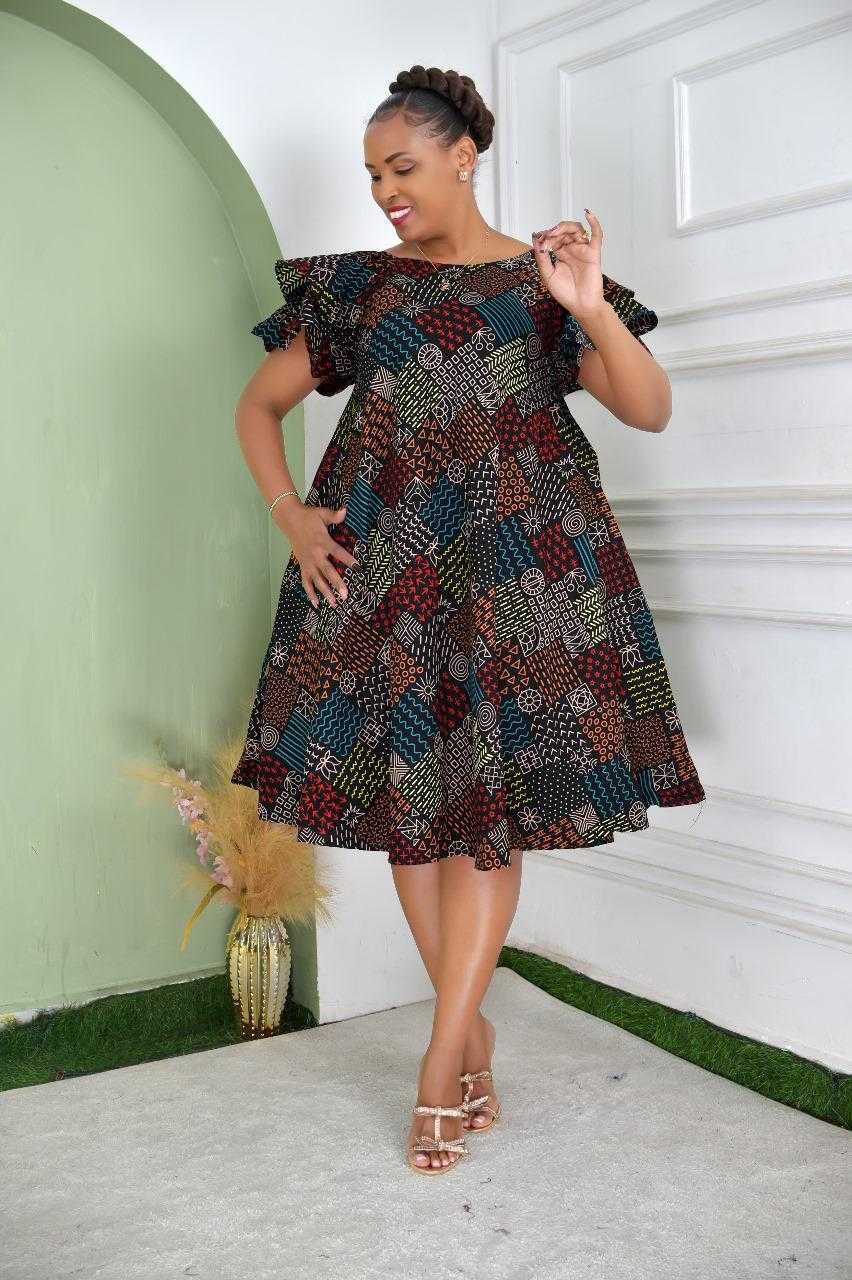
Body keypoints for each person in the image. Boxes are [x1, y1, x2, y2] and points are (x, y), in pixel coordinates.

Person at [230, 64, 706, 1174]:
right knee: (416, 803)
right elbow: (258, 405)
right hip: (388, 575)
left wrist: (589, 305)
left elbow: (649, 408)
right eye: (371, 175)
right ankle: (470, 1032)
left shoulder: (545, 282)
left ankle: (441, 1059)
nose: (385, 192)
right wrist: (290, 513)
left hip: (522, 576)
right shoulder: (359, 288)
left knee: (486, 809)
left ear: (463, 156)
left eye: (402, 167)